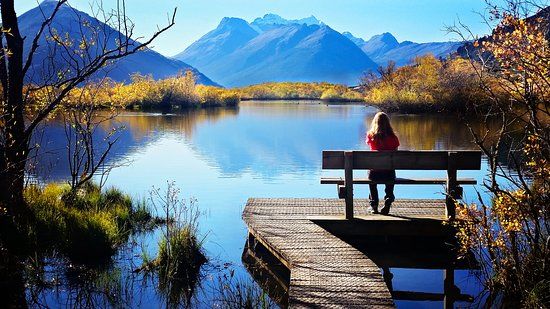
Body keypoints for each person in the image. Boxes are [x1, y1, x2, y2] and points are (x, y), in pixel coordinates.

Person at [366, 112, 400, 215]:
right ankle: (388, 200)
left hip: (375, 173)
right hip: (388, 172)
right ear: (388, 123)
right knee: (390, 172)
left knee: (370, 177)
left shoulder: (371, 136)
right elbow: (396, 153)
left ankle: (374, 205)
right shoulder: (393, 138)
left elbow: (372, 148)